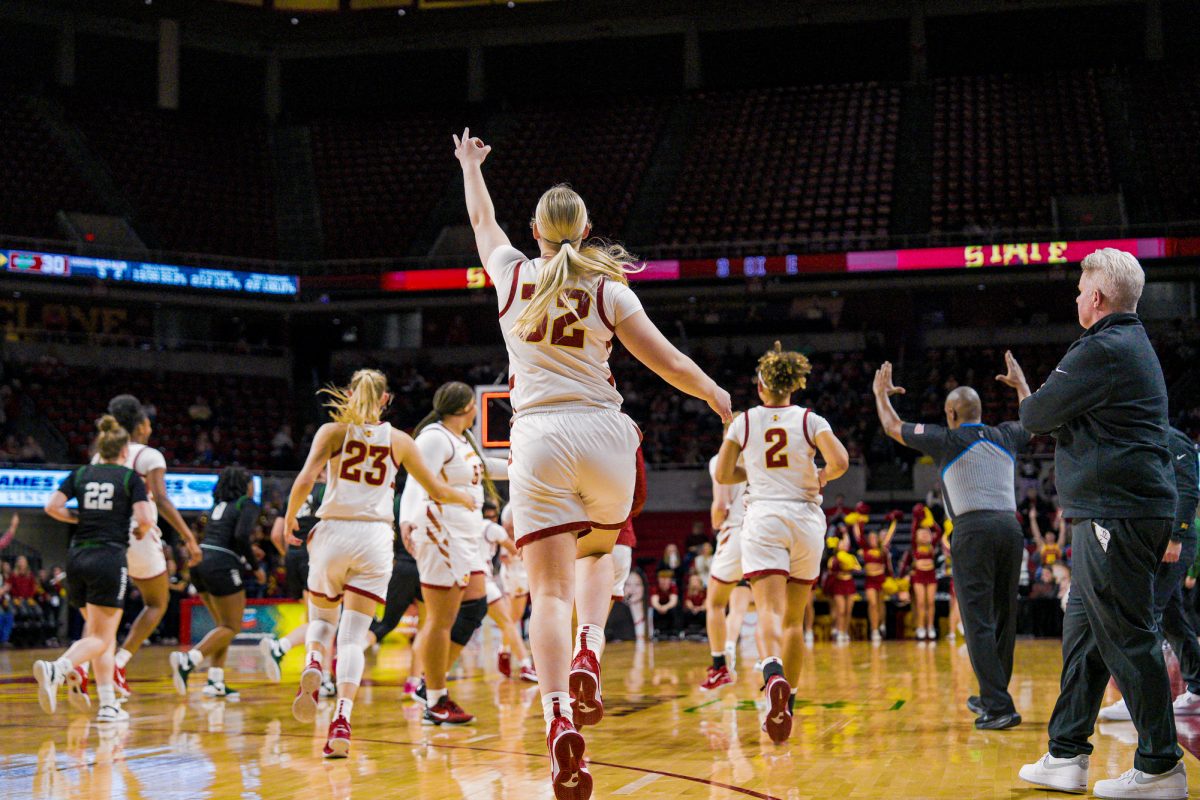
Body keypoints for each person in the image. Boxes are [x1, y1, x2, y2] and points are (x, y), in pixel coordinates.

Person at [455, 127, 731, 800]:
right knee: (603, 550)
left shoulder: (513, 273)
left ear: (537, 232)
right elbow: (667, 363)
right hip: (605, 434)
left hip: (537, 437)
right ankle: (589, 645)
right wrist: (718, 397)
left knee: (543, 590)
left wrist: (471, 164)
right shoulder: (609, 288)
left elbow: (482, 219)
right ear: (585, 231)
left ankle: (555, 719)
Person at [1013, 249, 1185, 798]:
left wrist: (1041, 402)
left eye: (1080, 288)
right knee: (1085, 638)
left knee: (1128, 640)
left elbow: (1036, 415)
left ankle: (1161, 766)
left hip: (1118, 510)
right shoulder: (1127, 343)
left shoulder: (1103, 346)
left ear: (1096, 297)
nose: (1076, 298)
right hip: (1118, 508)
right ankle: (1066, 754)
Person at [283, 369, 473, 758]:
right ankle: (342, 720)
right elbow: (435, 489)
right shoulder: (400, 441)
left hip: (334, 531)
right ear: (386, 399)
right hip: (374, 538)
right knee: (354, 636)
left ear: (350, 394)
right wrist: (464, 499)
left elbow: (306, 479)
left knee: (321, 620)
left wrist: (288, 519)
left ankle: (316, 660)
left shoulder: (331, 433)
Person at [875, 363, 1029, 728]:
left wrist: (880, 395)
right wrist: (1022, 385)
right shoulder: (1005, 435)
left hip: (972, 530)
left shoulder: (944, 439)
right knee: (1004, 616)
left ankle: (998, 706)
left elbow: (892, 427)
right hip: (1010, 527)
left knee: (977, 621)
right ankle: (994, 695)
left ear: (951, 413)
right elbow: (1033, 419)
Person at [714, 341, 849, 745]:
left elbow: (723, 474)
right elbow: (840, 462)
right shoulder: (811, 420)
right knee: (794, 619)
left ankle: (771, 672)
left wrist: (755, 472)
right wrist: (821, 476)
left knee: (767, 611)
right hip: (806, 518)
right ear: (795, 386)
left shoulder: (746, 422)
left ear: (760, 386)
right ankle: (786, 700)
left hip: (765, 518)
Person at [399, 381, 509, 726]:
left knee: (475, 606)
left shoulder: (461, 441)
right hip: (440, 528)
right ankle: (435, 698)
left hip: (466, 532)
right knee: (440, 618)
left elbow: (484, 468)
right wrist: (407, 521)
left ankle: (431, 681)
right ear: (466, 408)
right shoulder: (433, 437)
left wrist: (526, 466)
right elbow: (417, 480)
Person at [36, 416, 153, 723]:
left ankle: (107, 705)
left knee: (102, 632)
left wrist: (78, 519)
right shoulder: (130, 479)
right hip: (108, 558)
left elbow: (51, 507)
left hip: (76, 559)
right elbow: (145, 519)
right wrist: (141, 531)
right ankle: (57, 669)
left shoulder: (82, 472)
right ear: (124, 451)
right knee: (102, 636)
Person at [105, 394, 202, 701]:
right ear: (143, 425)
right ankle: (119, 664)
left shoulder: (101, 455)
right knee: (157, 603)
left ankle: (81, 666)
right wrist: (188, 536)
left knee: (104, 609)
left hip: (104, 535)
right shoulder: (149, 455)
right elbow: (160, 499)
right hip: (139, 533)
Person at [1099, 426, 1200, 720]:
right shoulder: (1138, 437)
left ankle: (1140, 701)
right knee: (1172, 619)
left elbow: (1189, 488)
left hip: (1172, 540)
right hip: (1153, 538)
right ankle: (1197, 689)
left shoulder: (1171, 437)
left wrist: (1177, 536)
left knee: (1145, 616)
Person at [169, 466, 259, 699]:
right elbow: (240, 536)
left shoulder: (216, 506)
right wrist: (255, 566)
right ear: (243, 485)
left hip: (200, 561)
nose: (253, 486)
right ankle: (190, 659)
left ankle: (215, 681)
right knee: (232, 626)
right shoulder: (246, 504)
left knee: (223, 626)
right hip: (222, 562)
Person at [260, 471, 329, 692]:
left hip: (293, 556)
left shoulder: (295, 493)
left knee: (315, 618)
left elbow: (276, 534)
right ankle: (282, 647)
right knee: (326, 620)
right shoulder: (326, 490)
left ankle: (317, 672)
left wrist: (290, 554)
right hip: (314, 554)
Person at [700, 443, 754, 690]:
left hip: (735, 535)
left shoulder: (719, 461)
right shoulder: (758, 459)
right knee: (765, 607)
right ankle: (773, 667)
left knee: (716, 603)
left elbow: (720, 506)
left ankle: (720, 664)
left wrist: (715, 523)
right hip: (763, 534)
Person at [649, 570, 681, 638]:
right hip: (659, 607)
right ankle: (655, 630)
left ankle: (674, 631)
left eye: (666, 579)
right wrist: (660, 608)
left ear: (670, 580)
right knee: (652, 611)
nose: (664, 581)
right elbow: (654, 602)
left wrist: (665, 607)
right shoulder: (655, 587)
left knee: (675, 610)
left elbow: (673, 601)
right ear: (658, 579)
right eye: (662, 579)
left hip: (668, 607)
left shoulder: (673, 587)